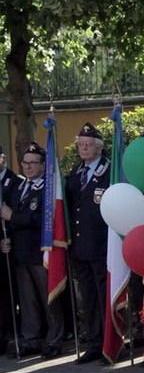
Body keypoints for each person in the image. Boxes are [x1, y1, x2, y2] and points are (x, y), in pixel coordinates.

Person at [0, 142, 64, 358]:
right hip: (20, 252)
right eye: (25, 163)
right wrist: (6, 238)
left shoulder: (48, 188)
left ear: (43, 165)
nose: (28, 167)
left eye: (33, 163)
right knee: (28, 301)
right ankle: (31, 339)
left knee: (49, 299)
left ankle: (54, 340)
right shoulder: (20, 186)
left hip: (41, 252)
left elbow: (42, 219)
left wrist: (13, 217)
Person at [65, 122, 111, 364]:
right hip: (81, 247)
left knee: (105, 297)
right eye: (80, 145)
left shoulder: (108, 172)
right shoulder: (75, 173)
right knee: (88, 298)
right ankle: (93, 342)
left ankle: (108, 343)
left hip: (102, 246)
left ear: (99, 148)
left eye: (88, 145)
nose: (83, 148)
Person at [0, 145, 23, 357]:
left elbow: (18, 216)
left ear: (3, 159)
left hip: (12, 248)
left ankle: (9, 336)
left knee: (9, 296)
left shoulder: (16, 182)